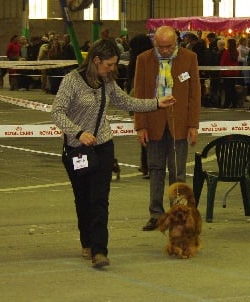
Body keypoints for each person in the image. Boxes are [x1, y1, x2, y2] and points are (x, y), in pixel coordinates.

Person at [51, 39, 176, 268]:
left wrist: (157, 103)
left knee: (100, 198)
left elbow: (125, 101)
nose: (112, 69)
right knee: (83, 198)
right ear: (96, 60)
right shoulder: (72, 81)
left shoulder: (107, 82)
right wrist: (79, 133)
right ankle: (86, 242)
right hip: (77, 149)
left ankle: (100, 250)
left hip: (103, 146)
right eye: (109, 64)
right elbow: (57, 113)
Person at [134, 26, 201, 231]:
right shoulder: (143, 59)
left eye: (169, 46)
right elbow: (139, 94)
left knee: (177, 172)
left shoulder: (189, 58)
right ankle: (156, 214)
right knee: (155, 171)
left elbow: (194, 94)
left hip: (179, 124)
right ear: (154, 42)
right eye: (160, 46)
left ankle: (177, 214)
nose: (164, 51)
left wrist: (193, 125)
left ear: (177, 42)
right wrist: (140, 126)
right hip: (153, 123)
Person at [126, 34, 154, 178]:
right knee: (147, 134)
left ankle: (147, 166)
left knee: (145, 134)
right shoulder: (149, 58)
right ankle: (147, 166)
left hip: (141, 102)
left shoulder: (138, 60)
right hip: (147, 102)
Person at [219, 38, 240, 108]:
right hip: (234, 72)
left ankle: (226, 103)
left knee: (227, 89)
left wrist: (221, 72)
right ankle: (234, 103)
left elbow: (223, 62)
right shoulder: (236, 52)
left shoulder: (226, 52)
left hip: (227, 72)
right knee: (233, 89)